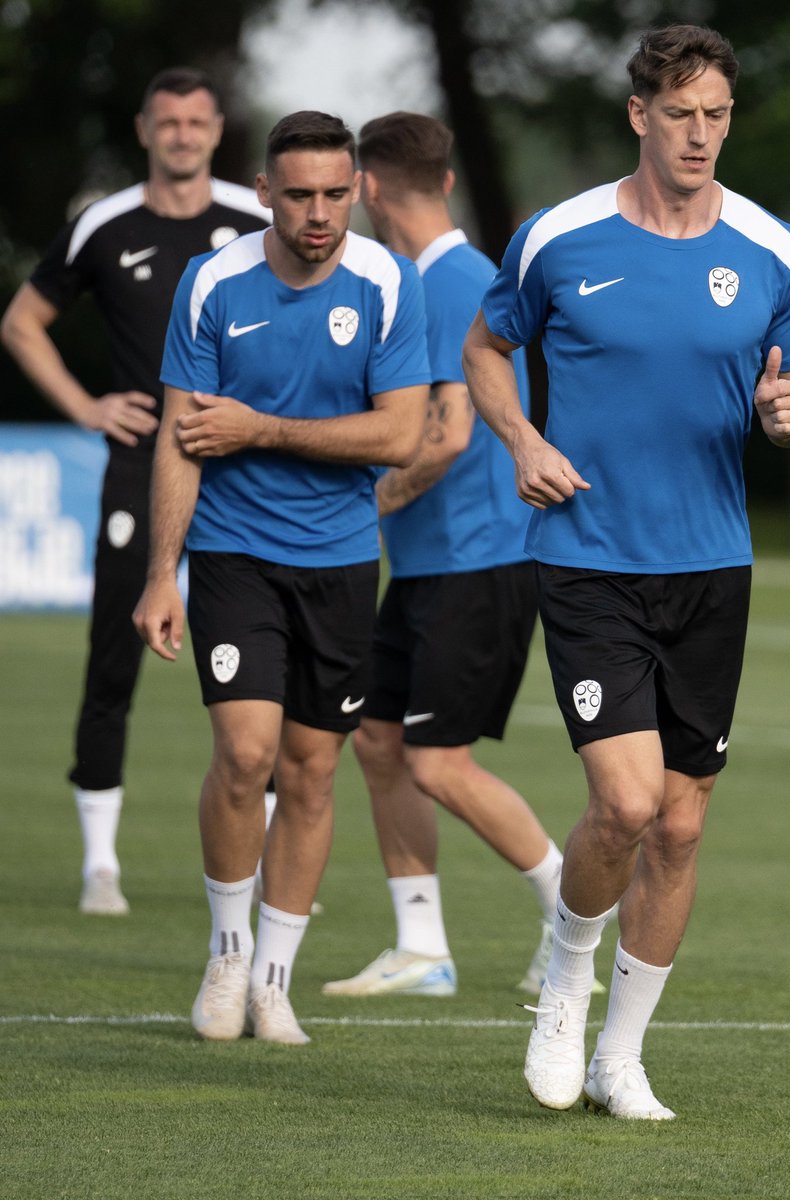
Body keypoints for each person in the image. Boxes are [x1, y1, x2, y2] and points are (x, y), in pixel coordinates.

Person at [463, 24, 790, 1119]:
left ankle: (622, 1059)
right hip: (587, 556)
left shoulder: (775, 249)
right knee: (623, 804)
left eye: (718, 115)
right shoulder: (559, 238)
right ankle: (565, 974)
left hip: (714, 563)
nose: (702, 134)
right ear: (639, 117)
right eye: (682, 115)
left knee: (682, 823)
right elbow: (486, 348)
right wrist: (523, 442)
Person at [133, 110, 430, 1044]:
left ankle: (273, 978)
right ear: (264, 191)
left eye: (336, 194)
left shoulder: (388, 280)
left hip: (342, 563)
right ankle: (226, 959)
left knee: (311, 772)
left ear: (357, 191)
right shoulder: (213, 282)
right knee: (247, 753)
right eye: (298, 194)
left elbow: (399, 434)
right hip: (233, 556)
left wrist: (259, 427)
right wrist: (159, 575)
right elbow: (183, 439)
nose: (319, 212)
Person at [322, 112, 594, 999]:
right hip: (431, 565)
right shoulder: (424, 276)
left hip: (481, 560)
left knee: (440, 762)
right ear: (443, 180)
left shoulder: (453, 282)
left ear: (366, 188)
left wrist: (357, 511)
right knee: (378, 742)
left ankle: (575, 925)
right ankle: (423, 947)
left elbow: (441, 438)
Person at [0, 68, 269, 915]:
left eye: (197, 122)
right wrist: (84, 405)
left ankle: (265, 861)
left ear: (217, 129)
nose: (183, 135)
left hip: (246, 469)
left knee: (268, 660)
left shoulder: (256, 222)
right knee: (112, 657)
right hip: (138, 466)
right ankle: (101, 866)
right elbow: (21, 322)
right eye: (168, 122)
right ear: (145, 129)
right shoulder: (103, 224)